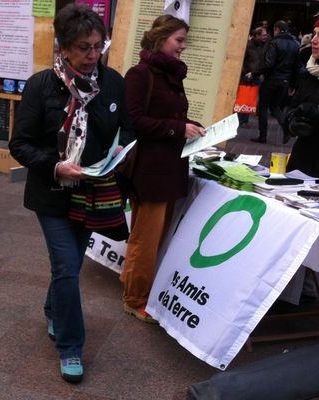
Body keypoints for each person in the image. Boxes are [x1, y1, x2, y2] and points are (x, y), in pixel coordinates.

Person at [9, 4, 133, 383]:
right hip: (52, 193)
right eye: (83, 47)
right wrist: (55, 165)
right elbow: (21, 144)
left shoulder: (112, 82)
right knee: (66, 267)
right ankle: (70, 347)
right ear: (63, 47)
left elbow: (125, 128)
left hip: (93, 192)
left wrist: (118, 149)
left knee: (70, 266)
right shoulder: (41, 86)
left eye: (98, 46)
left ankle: (53, 309)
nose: (92, 55)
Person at [121, 15, 205, 323]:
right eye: (179, 40)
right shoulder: (140, 74)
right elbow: (134, 122)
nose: (183, 47)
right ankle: (135, 298)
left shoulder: (170, 74)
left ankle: (133, 285)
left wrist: (191, 127)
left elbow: (168, 115)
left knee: (152, 236)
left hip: (169, 168)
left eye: (184, 41)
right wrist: (177, 129)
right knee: (146, 237)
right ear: (161, 39)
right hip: (150, 171)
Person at [251, 20, 299, 144]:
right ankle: (286, 128)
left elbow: (269, 63)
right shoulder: (295, 43)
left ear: (277, 29)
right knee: (275, 107)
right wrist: (293, 84)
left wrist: (255, 72)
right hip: (285, 81)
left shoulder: (274, 42)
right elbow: (296, 66)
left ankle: (262, 136)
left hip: (271, 80)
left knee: (263, 108)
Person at [282, 20, 319, 178]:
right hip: (303, 161)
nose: (314, 40)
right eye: (315, 33)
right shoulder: (308, 73)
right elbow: (291, 107)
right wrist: (292, 121)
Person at [238, 27, 267, 126]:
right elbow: (241, 60)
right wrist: (245, 72)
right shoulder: (248, 46)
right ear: (257, 35)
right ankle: (241, 120)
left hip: (256, 75)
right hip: (247, 76)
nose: (265, 37)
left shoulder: (263, 46)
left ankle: (243, 120)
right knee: (244, 98)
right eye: (263, 35)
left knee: (251, 98)